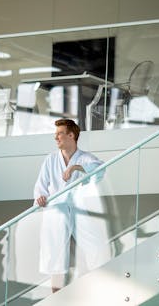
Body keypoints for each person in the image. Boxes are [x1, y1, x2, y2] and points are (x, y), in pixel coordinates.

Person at [34, 118, 107, 293]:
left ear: (71, 135)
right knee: (56, 259)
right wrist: (41, 198)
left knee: (90, 250)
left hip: (78, 210)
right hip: (56, 211)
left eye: (60, 134)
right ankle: (56, 299)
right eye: (55, 134)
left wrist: (75, 167)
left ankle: (89, 292)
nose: (56, 138)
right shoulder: (51, 159)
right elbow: (40, 186)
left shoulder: (84, 158)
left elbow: (100, 169)